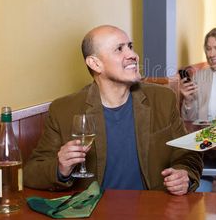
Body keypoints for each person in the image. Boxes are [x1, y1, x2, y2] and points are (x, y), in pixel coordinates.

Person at [24, 25, 203, 195]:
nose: (133, 55)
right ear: (95, 63)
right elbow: (31, 172)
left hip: (153, 210)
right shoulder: (63, 110)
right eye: (119, 49)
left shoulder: (162, 99)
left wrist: (184, 174)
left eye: (130, 46)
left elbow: (187, 153)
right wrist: (60, 168)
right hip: (94, 212)